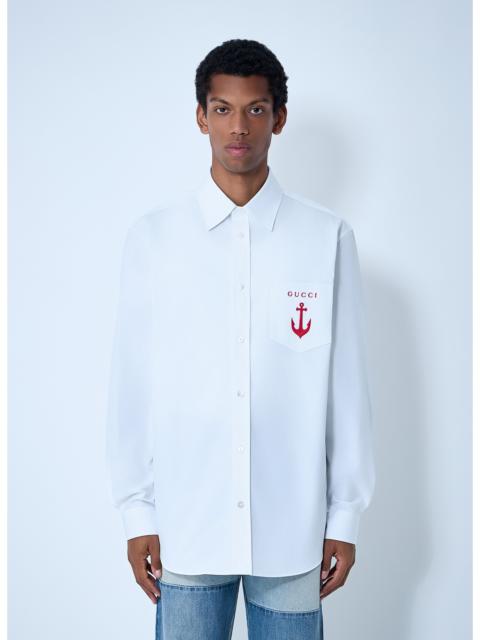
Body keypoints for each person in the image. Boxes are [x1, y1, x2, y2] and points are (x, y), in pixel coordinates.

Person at [106, 38, 375, 640]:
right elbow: (132, 383)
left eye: (255, 109)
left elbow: (347, 389)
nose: (239, 127)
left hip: (293, 531)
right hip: (188, 524)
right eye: (222, 109)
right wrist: (137, 511)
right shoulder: (154, 240)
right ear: (201, 117)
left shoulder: (326, 238)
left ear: (279, 118)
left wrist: (345, 515)